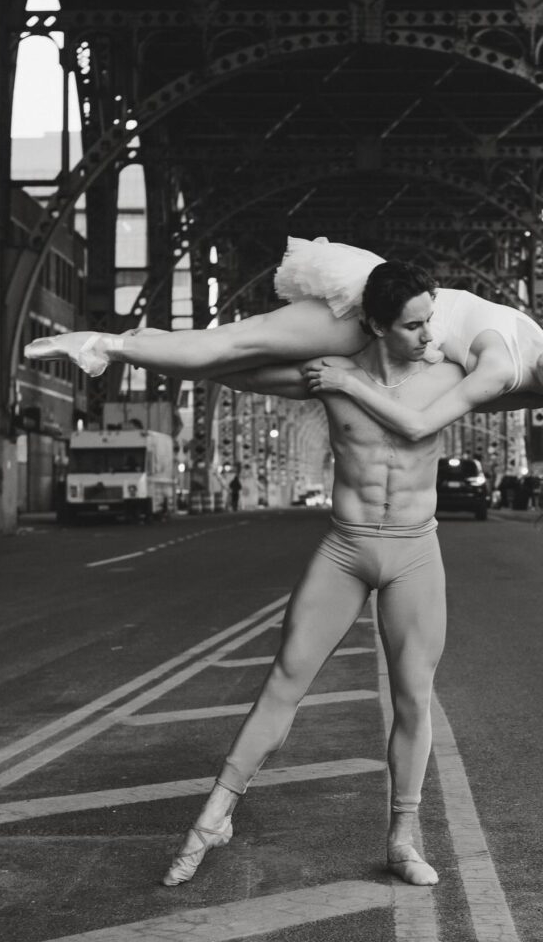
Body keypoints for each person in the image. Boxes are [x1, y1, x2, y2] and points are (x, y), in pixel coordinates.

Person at [25, 236, 543, 566]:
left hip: (374, 322)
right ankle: (115, 345)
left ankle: (118, 345)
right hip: (392, 325)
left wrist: (353, 384)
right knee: (239, 353)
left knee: (243, 359)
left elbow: (416, 423)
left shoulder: (500, 371)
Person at [159, 262, 463, 889]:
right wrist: (151, 355)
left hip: (414, 552)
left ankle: (403, 840)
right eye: (412, 325)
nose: (428, 334)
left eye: (431, 320)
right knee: (284, 680)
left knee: (413, 697)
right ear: (376, 324)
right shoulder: (328, 374)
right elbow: (238, 367)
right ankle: (215, 813)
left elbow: (539, 373)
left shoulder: (450, 374)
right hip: (347, 546)